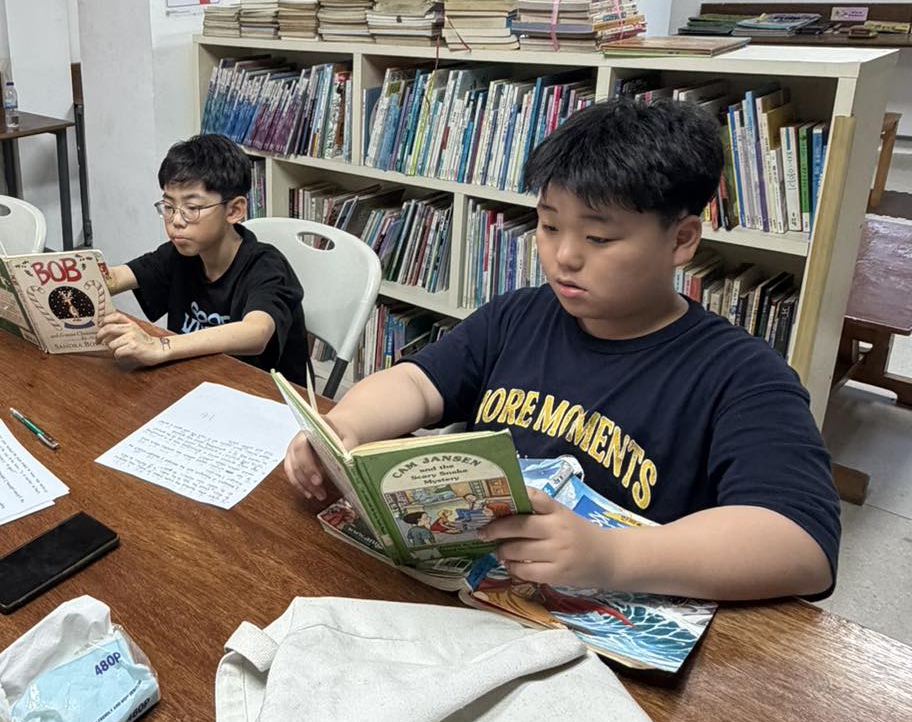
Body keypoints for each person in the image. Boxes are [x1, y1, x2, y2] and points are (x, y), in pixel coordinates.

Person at [284, 98, 838, 602]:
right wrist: (346, 427)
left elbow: (800, 545)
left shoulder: (742, 374)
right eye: (549, 226)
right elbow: (416, 382)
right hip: (474, 600)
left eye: (599, 237)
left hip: (606, 626)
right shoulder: (518, 316)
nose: (564, 256)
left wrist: (611, 557)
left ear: (682, 239)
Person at [100, 133, 308, 381]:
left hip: (261, 391)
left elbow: (257, 332)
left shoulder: (266, 265)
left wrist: (160, 346)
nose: (176, 221)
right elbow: (113, 278)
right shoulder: (179, 254)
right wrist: (64, 276)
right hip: (197, 380)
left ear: (234, 210)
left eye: (192, 208)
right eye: (169, 207)